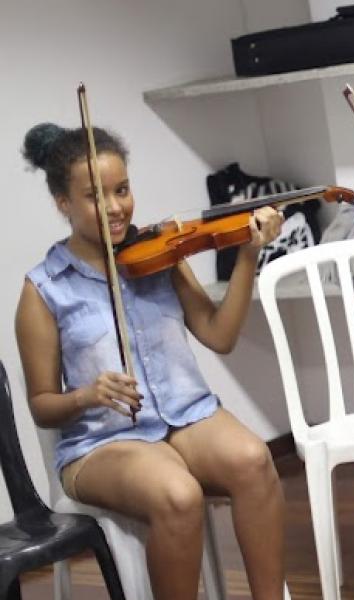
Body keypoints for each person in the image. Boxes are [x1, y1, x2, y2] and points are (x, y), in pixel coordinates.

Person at [16, 123, 288, 600]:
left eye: (122, 190)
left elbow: (219, 336)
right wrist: (87, 394)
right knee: (178, 495)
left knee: (253, 459)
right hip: (101, 443)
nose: (117, 207)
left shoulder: (160, 254)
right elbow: (41, 404)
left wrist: (248, 256)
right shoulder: (44, 290)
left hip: (185, 417)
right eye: (95, 196)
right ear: (64, 203)